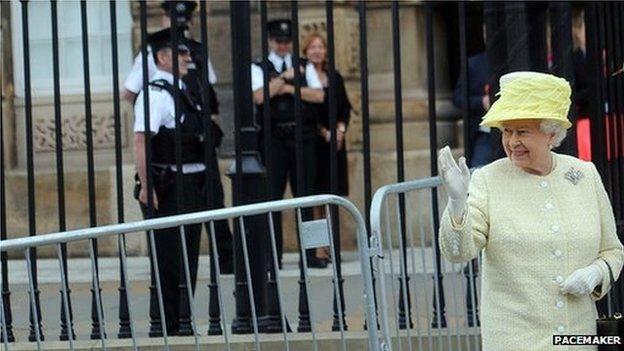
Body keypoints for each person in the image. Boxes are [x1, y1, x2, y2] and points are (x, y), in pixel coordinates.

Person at [438, 71, 624, 350]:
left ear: (551, 133)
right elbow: (458, 252)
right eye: (506, 131)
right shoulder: (488, 180)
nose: (512, 142)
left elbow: (613, 250)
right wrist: (456, 204)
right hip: (516, 341)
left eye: (522, 131)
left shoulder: (584, 175)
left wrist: (596, 274)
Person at [125, 0, 233, 273]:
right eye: (175, 19)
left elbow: (208, 92)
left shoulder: (197, 51)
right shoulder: (153, 57)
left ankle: (227, 259)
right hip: (170, 154)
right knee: (171, 257)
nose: (181, 26)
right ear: (164, 18)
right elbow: (130, 93)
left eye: (185, 21)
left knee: (212, 204)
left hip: (195, 140)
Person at [133, 27, 210, 336]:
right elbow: (141, 141)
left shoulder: (184, 90)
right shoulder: (155, 94)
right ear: (163, 57)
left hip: (191, 184)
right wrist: (147, 185)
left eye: (187, 52)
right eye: (181, 53)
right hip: (168, 186)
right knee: (168, 258)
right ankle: (167, 325)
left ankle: (181, 320)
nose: (187, 58)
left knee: (188, 257)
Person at [250, 19, 325, 267]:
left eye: (286, 41)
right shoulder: (258, 67)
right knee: (273, 198)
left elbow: (319, 95)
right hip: (274, 139)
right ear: (271, 41)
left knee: (308, 196)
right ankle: (272, 256)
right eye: (278, 41)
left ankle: (313, 254)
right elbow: (260, 96)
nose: (282, 46)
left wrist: (285, 88)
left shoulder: (304, 66)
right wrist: (285, 77)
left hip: (303, 136)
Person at [302, 32, 352, 268]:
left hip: (336, 144)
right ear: (305, 52)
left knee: (333, 198)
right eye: (312, 47)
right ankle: (318, 249)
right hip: (315, 143)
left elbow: (345, 107)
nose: (317, 51)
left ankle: (334, 246)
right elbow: (306, 112)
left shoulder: (335, 77)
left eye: (320, 47)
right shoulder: (303, 78)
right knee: (316, 201)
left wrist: (340, 129)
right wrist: (324, 131)